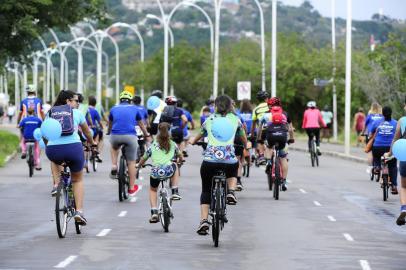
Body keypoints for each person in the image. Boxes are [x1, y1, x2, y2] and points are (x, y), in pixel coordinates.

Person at [189, 95, 247, 235]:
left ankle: (203, 220)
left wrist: (192, 141)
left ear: (215, 106)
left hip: (210, 161)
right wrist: (246, 144)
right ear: (230, 107)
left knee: (206, 190)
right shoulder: (235, 120)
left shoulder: (209, 120)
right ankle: (231, 191)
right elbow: (243, 137)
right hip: (228, 160)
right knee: (234, 168)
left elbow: (199, 136)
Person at [45, 90, 96, 225]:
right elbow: (87, 132)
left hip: (53, 149)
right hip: (73, 148)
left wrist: (49, 146)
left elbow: (44, 132)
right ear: (68, 101)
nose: (78, 103)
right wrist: (92, 143)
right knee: (77, 180)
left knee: (54, 159)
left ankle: (56, 184)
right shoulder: (77, 113)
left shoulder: (50, 112)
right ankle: (79, 212)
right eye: (76, 100)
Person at [136, 122, 183, 223]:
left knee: (153, 190)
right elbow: (180, 156)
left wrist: (139, 165)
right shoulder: (173, 144)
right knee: (175, 165)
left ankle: (154, 212)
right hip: (168, 170)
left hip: (156, 171)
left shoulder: (153, 145)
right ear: (169, 132)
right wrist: (181, 160)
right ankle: (175, 191)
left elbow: (144, 158)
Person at [108, 91, 150, 196]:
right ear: (130, 101)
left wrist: (109, 131)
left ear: (120, 100)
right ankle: (131, 188)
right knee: (131, 162)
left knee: (114, 147)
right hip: (130, 136)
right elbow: (141, 123)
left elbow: (110, 123)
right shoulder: (135, 108)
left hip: (115, 135)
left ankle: (114, 165)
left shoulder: (113, 108)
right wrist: (146, 134)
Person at [259, 97, 295, 191]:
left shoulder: (266, 115)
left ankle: (268, 162)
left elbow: (261, 128)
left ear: (269, 106)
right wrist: (291, 138)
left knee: (269, 147)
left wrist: (259, 139)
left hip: (271, 136)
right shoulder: (285, 114)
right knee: (283, 158)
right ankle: (283, 181)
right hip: (282, 137)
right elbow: (290, 129)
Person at [387, 98, 406, 225]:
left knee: (404, 186)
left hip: (405, 156)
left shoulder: (402, 120)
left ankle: (404, 207)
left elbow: (396, 140)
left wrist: (389, 154)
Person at [371, 106, 398, 194]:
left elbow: (371, 131)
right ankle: (394, 186)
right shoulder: (396, 123)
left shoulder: (377, 122)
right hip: (390, 148)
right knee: (393, 165)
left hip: (377, 147)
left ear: (382, 113)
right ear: (391, 113)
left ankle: (377, 167)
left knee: (375, 156)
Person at [363, 102, 383, 173]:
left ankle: (370, 167)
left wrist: (363, 133)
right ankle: (380, 165)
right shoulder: (382, 116)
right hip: (380, 135)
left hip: (370, 135)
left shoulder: (370, 115)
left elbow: (365, 125)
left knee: (369, 151)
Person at [251, 91, 270, 164]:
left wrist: (252, 135)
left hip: (262, 130)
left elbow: (253, 124)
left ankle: (261, 155)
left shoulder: (256, 109)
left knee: (259, 141)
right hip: (275, 128)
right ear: (267, 99)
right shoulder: (271, 106)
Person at [87, 96, 104, 162]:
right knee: (100, 137)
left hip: (84, 130)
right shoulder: (95, 111)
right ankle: (97, 151)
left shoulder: (85, 110)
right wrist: (102, 127)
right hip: (92, 129)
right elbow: (99, 122)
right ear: (95, 103)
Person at [133, 95, 149, 159]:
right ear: (140, 101)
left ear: (133, 101)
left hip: (133, 126)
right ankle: (143, 149)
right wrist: (148, 125)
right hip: (142, 126)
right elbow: (146, 118)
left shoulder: (132, 108)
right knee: (144, 138)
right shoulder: (143, 108)